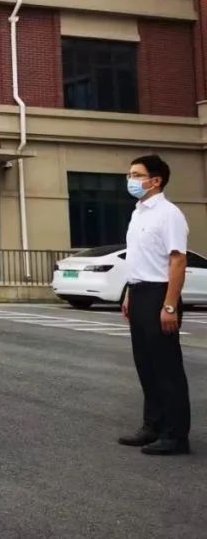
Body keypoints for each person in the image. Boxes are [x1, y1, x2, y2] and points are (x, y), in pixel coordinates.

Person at [118, 154, 191, 456]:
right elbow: (138, 258)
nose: (130, 180)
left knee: (166, 368)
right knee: (146, 365)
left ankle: (176, 436)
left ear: (156, 180)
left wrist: (170, 305)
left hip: (160, 294)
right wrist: (129, 294)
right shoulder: (138, 213)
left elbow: (178, 260)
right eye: (130, 175)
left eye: (137, 175)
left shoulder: (169, 214)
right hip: (139, 292)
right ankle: (153, 426)